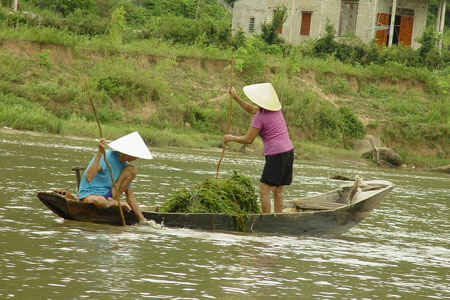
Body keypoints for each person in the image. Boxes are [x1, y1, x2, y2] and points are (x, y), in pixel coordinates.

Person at [224, 83, 294, 213]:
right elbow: (251, 109)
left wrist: (230, 138)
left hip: (276, 154)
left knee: (264, 190)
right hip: (288, 151)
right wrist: (236, 97)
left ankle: (267, 220)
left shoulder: (259, 118)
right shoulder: (276, 110)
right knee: (278, 190)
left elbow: (248, 139)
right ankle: (278, 218)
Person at [78, 131, 153, 223]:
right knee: (100, 200)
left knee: (132, 170)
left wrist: (141, 219)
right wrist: (99, 153)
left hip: (109, 197)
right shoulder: (106, 156)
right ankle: (116, 204)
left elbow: (130, 195)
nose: (136, 158)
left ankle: (113, 203)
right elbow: (89, 177)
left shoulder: (125, 166)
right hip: (91, 196)